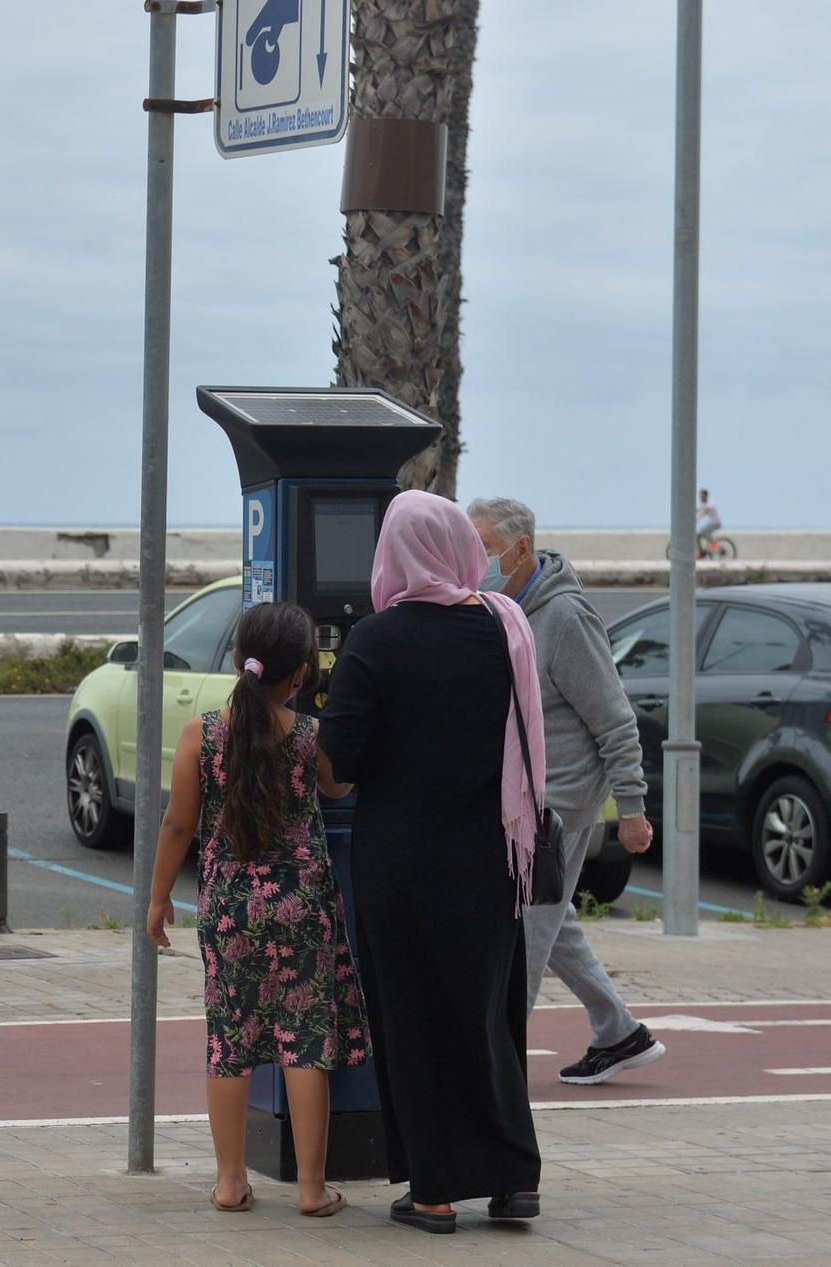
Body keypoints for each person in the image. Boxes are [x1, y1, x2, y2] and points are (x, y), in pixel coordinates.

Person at [317, 490, 543, 1235]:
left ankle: (436, 1190)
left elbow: (338, 766)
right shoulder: (502, 627)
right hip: (491, 857)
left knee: (412, 1019)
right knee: (489, 1015)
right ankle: (513, 1180)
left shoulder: (376, 641)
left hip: (403, 865)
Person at [145, 602, 368, 1220]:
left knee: (230, 1042)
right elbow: (339, 787)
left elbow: (177, 825)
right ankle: (311, 1188)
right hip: (301, 902)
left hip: (229, 907)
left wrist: (159, 899)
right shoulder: (306, 736)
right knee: (304, 1044)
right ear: (299, 675)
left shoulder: (202, 734)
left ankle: (229, 1182)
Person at [469, 497, 665, 1083]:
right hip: (520, 799)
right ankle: (619, 1030)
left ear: (520, 548)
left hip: (561, 804)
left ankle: (499, 1070)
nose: (475, 561)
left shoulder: (566, 618)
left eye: (482, 549)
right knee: (552, 921)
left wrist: (631, 809)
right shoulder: (504, 609)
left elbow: (615, 718)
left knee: (526, 933)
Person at [696, 489, 723, 558]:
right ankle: (701, 551)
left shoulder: (711, 502)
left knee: (701, 532)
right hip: (712, 523)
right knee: (698, 535)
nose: (701, 498)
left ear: (706, 496)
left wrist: (698, 518)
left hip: (716, 523)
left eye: (702, 496)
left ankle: (713, 543)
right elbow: (698, 509)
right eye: (700, 496)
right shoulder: (703, 503)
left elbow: (706, 510)